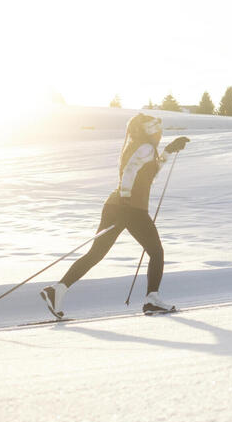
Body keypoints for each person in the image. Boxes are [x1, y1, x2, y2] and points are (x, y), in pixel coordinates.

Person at [40, 113, 189, 317]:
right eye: (158, 130)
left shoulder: (141, 146)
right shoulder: (145, 147)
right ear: (151, 131)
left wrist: (168, 152)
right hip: (130, 208)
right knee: (156, 251)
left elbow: (149, 173)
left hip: (116, 206)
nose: (160, 133)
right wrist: (127, 199)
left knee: (96, 254)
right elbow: (130, 171)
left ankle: (57, 290)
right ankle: (152, 299)